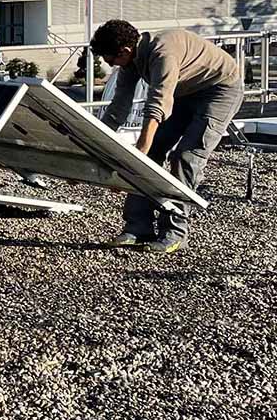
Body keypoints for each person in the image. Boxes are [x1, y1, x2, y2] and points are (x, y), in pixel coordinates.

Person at [91, 20, 242, 253]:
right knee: (151, 153)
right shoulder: (130, 63)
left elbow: (157, 104)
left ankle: (175, 233)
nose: (109, 65)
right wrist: (93, 148)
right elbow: (117, 109)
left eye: (110, 59)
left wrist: (138, 153)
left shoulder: (163, 53)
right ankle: (138, 227)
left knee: (186, 156)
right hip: (185, 91)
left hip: (219, 90)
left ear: (125, 51)